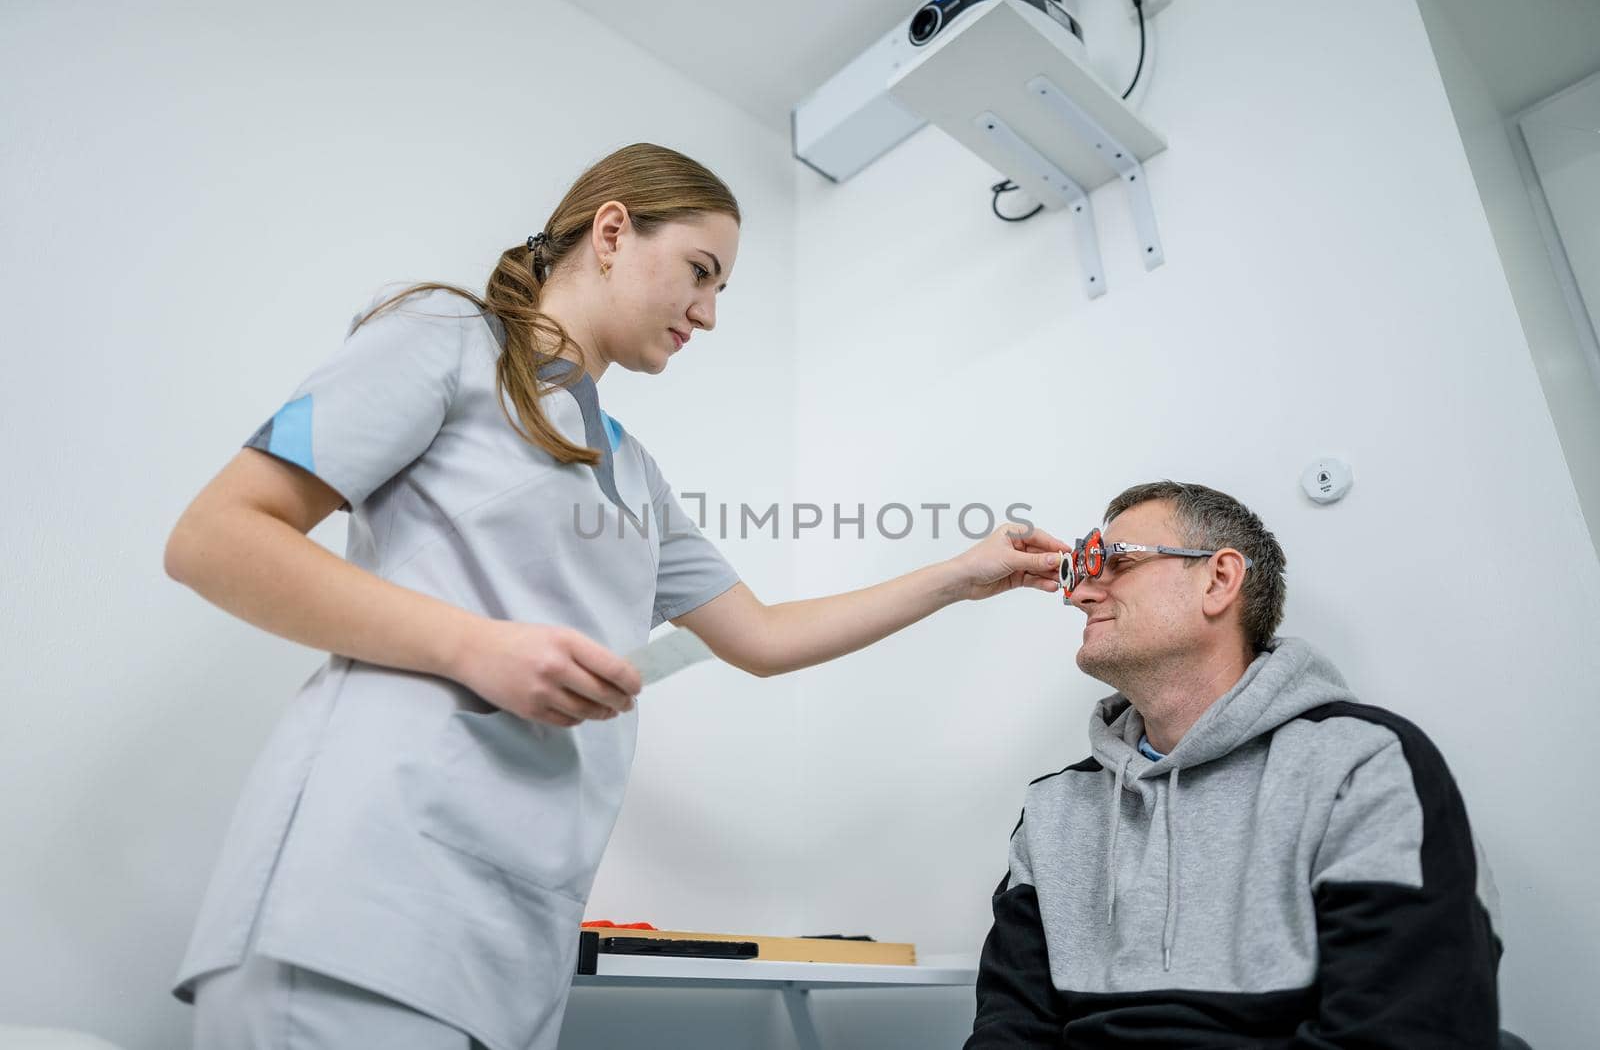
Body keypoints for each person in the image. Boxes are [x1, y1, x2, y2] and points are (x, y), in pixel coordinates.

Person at [164, 142, 1071, 1050]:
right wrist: (478, 646)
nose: (709, 314)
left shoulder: (633, 472)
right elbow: (218, 537)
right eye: (700, 273)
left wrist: (960, 575)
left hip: (516, 936)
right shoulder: (446, 338)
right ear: (610, 232)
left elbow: (759, 636)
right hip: (365, 895)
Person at [967, 480, 1503, 1049]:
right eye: (1083, 569)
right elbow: (1010, 1032)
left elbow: (1404, 1029)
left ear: (1220, 579)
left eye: (1116, 560)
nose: (1080, 595)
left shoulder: (1360, 764)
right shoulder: (1056, 810)